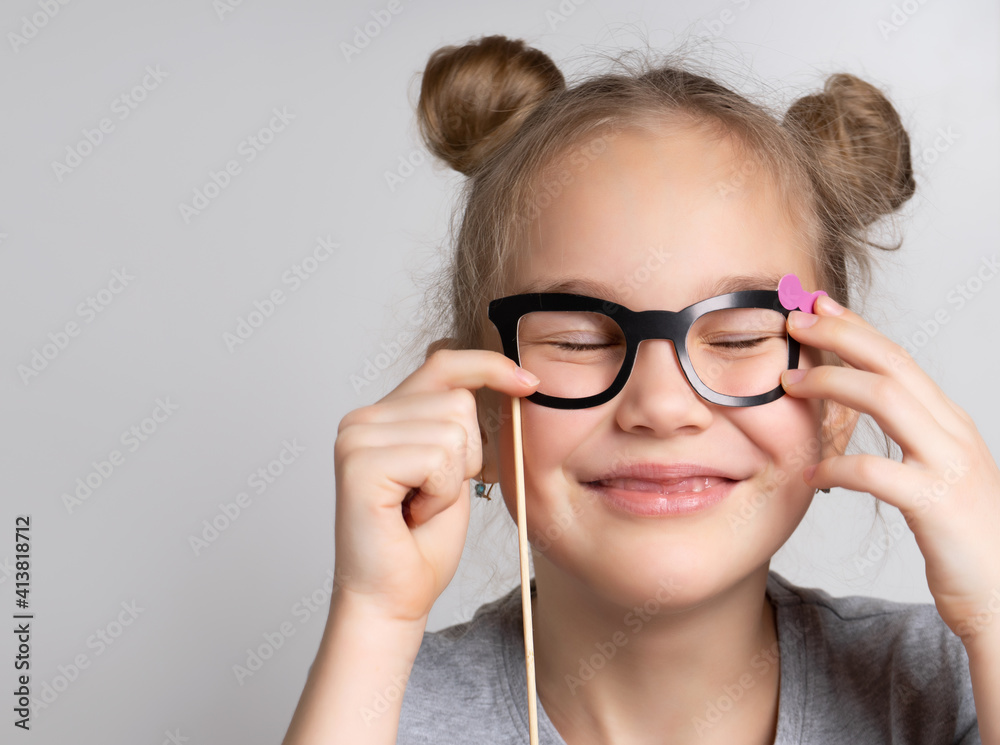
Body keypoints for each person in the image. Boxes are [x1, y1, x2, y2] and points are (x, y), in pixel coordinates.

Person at [281, 35, 998, 744]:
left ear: (838, 403)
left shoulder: (948, 680)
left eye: (740, 336)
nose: (661, 405)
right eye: (579, 340)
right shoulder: (375, 708)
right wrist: (373, 614)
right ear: (478, 413)